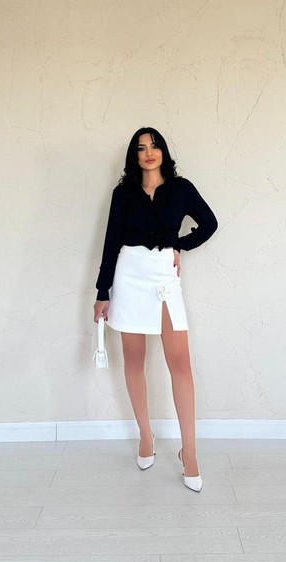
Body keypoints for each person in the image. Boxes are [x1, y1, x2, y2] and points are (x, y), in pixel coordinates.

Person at [93, 127, 218, 492]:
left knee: (180, 364)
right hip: (129, 275)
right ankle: (145, 435)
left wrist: (178, 244)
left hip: (163, 276)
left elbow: (209, 224)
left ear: (163, 151)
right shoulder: (123, 194)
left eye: (154, 146)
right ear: (134, 156)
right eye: (141, 148)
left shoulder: (181, 189)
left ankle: (189, 452)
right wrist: (103, 291)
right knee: (133, 360)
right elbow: (111, 242)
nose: (149, 152)